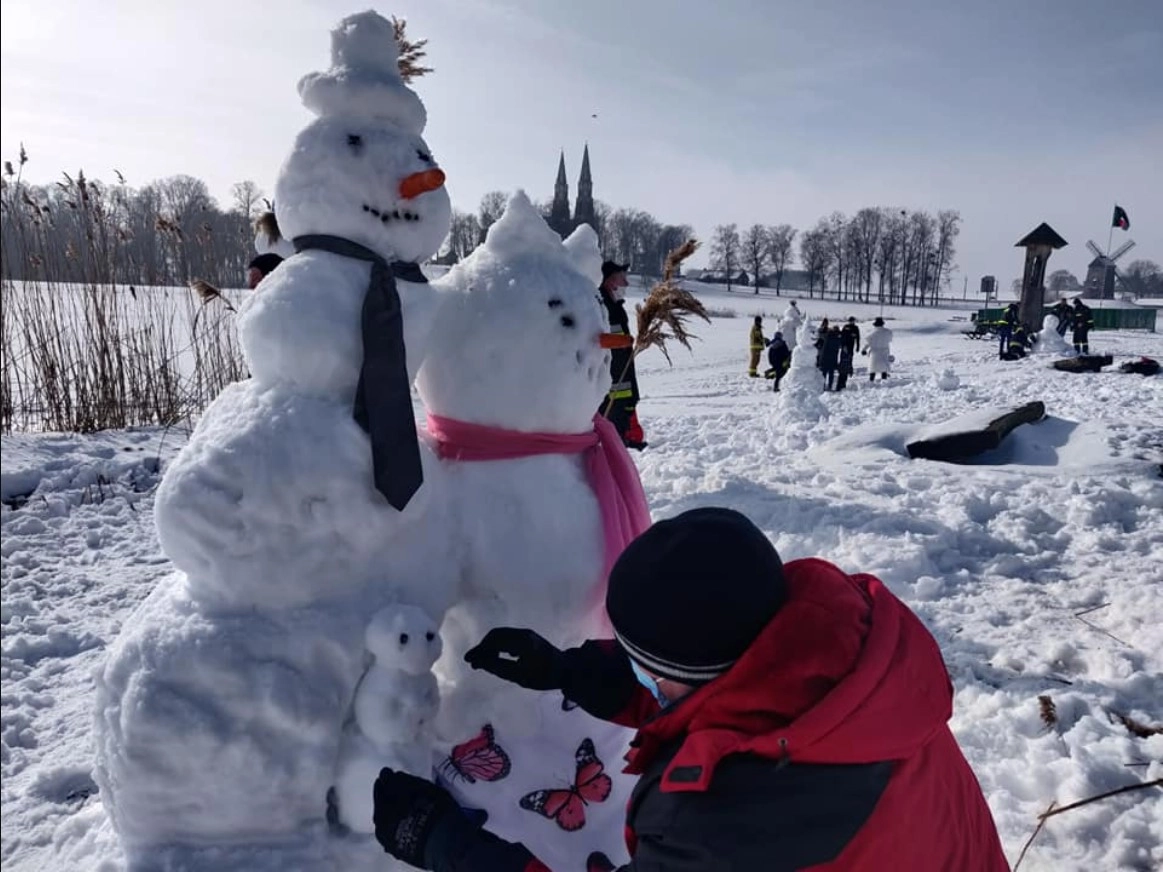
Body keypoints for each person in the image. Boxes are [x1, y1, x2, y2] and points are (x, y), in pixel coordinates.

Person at [371, 507, 1010, 872]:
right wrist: (566, 670)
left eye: (638, 661)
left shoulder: (717, 820)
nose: (637, 673)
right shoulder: (860, 680)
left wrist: (447, 845)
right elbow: (740, 695)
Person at [597, 261, 646, 450]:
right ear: (609, 281)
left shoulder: (615, 306)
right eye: (621, 278)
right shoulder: (602, 305)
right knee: (610, 440)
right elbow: (599, 340)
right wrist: (624, 341)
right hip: (611, 388)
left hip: (621, 385)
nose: (626, 284)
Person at [864, 316, 893, 381]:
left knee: (873, 369)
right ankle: (884, 381)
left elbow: (868, 343)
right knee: (884, 369)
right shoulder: (888, 332)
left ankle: (871, 381)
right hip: (884, 352)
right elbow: (890, 340)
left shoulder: (871, 333)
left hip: (875, 353)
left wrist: (864, 349)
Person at [837, 317, 860, 391]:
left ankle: (843, 383)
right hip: (844, 348)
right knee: (842, 365)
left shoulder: (855, 328)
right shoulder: (845, 327)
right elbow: (842, 336)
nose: (851, 322)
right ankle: (839, 384)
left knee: (848, 365)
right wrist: (842, 345)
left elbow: (858, 338)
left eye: (852, 321)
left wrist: (858, 346)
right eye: (850, 321)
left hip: (850, 348)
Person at [819, 324, 842, 391]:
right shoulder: (837, 339)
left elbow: (821, 334)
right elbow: (840, 344)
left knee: (824, 373)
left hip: (824, 358)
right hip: (832, 359)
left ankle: (822, 386)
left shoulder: (827, 336)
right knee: (831, 374)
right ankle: (829, 386)